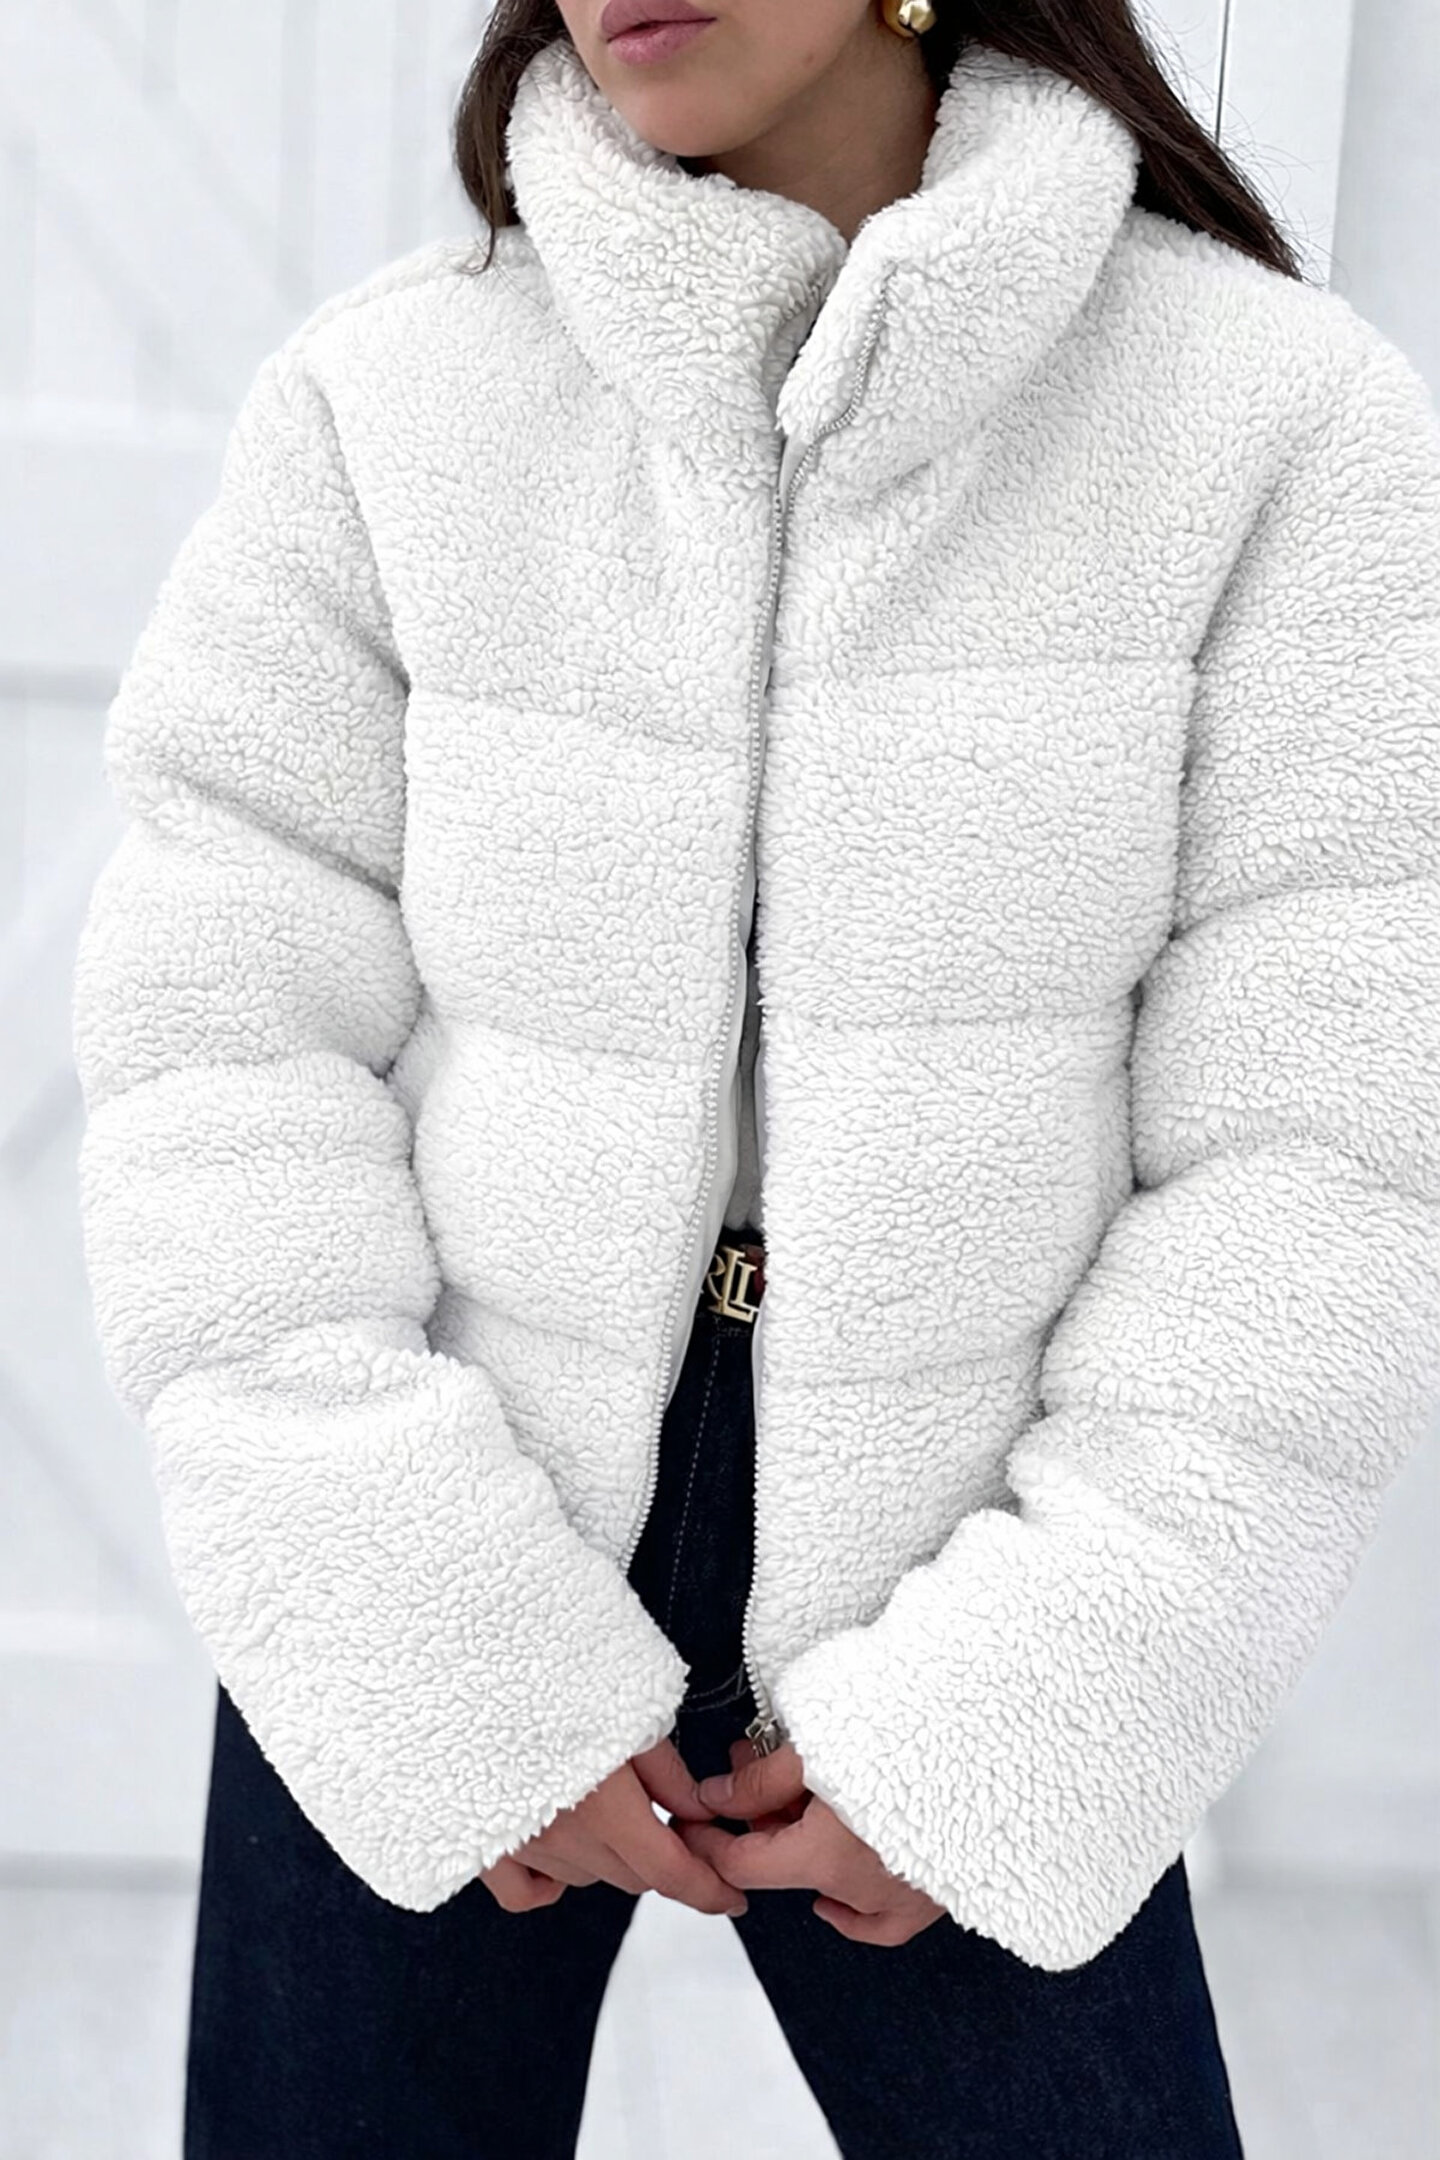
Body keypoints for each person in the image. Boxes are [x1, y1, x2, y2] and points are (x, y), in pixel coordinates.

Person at [71, 0, 1440, 2152]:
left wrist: (1031, 1700)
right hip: (442, 1523)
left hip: (983, 1570)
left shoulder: (1274, 423)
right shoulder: (386, 401)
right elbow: (217, 1048)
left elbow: (1326, 1148)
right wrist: (421, 1630)